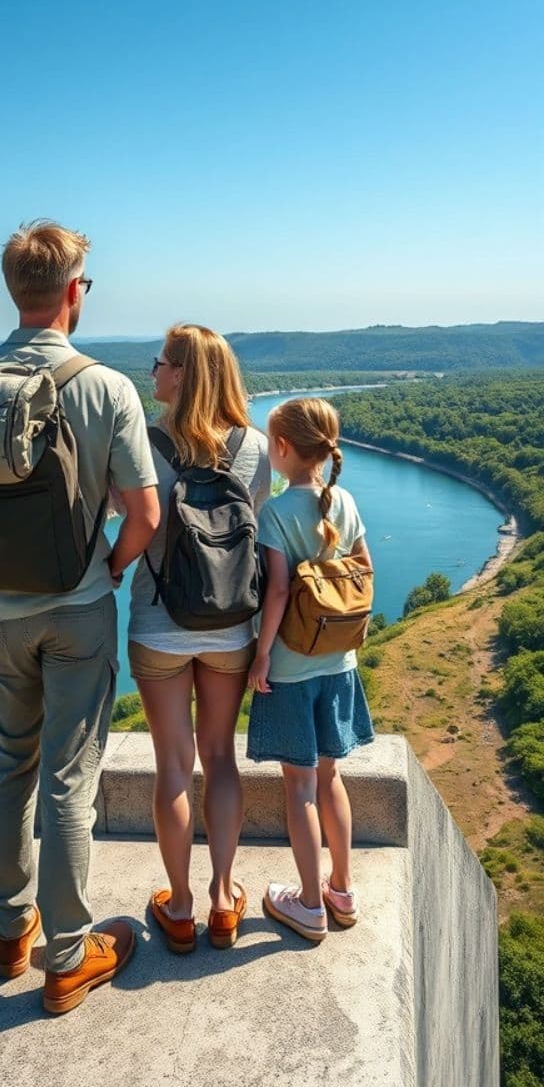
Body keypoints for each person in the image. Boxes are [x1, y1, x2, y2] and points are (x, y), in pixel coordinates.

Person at [0, 220, 160, 1013]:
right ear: (72, 291)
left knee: (10, 765)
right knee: (69, 779)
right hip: (80, 610)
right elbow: (145, 517)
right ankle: (67, 959)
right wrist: (109, 571)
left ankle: (9, 931)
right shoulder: (106, 386)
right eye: (85, 284)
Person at [127, 324, 270, 951]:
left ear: (180, 373)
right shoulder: (256, 447)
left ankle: (179, 908)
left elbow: (125, 516)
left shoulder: (144, 444)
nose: (152, 371)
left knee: (174, 766)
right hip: (232, 627)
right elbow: (256, 527)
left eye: (159, 362)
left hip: (158, 625)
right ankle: (222, 899)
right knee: (219, 757)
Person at [246, 396, 374, 942]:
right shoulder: (344, 500)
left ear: (281, 448)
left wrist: (260, 654)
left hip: (293, 668)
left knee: (299, 786)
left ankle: (307, 904)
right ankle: (341, 892)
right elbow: (365, 570)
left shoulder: (275, 513)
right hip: (339, 663)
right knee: (331, 777)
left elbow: (276, 589)